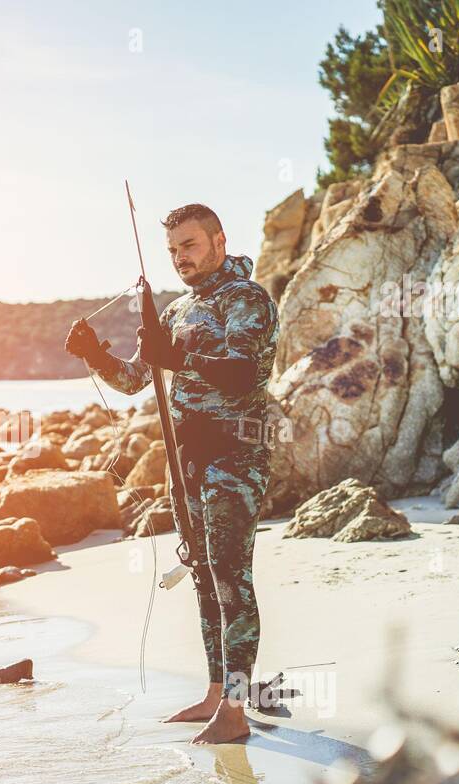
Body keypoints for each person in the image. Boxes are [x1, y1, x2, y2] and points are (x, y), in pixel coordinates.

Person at [64, 203, 278, 743]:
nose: (181, 258)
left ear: (219, 240)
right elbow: (136, 378)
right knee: (204, 579)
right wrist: (93, 355)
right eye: (173, 251)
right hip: (187, 466)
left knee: (232, 581)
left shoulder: (246, 300)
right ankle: (212, 694)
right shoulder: (178, 311)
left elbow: (243, 374)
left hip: (236, 459)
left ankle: (235, 707)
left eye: (190, 245)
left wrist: (180, 360)